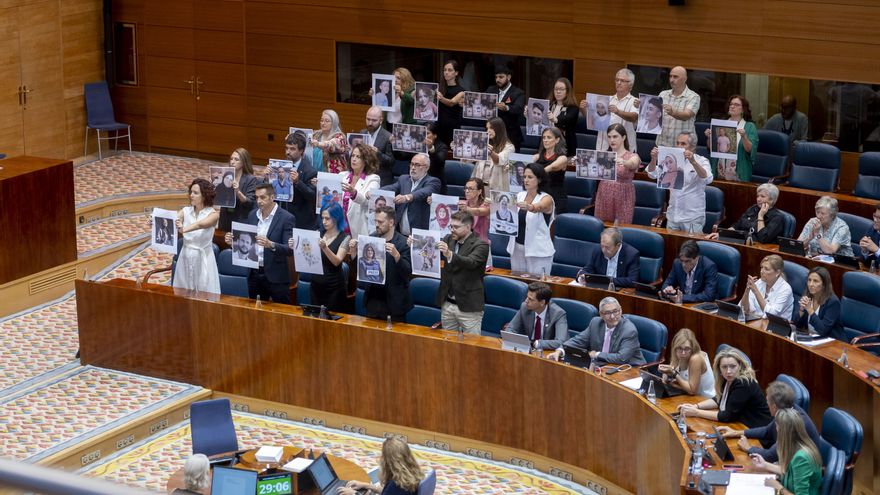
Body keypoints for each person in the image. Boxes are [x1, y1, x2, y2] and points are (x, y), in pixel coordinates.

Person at [718, 381, 821, 464]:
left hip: (800, 469)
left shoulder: (790, 422)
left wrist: (748, 448)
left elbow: (769, 456)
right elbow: (767, 430)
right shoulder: (787, 408)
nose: (766, 403)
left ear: (774, 407)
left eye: (767, 401)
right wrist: (736, 432)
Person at [224, 184, 295, 304]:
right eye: (257, 198)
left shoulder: (286, 218)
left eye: (262, 197)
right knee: (256, 313)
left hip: (276, 275)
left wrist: (271, 244)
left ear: (272, 197)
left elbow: (289, 249)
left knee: (282, 314)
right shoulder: (252, 215)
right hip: (254, 273)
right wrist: (232, 242)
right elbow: (248, 241)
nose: (259, 201)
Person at [678, 348, 772, 429]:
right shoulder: (726, 379)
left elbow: (726, 416)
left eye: (732, 366)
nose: (728, 371)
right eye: (724, 367)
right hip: (741, 426)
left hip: (758, 431)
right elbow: (718, 399)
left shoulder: (743, 383)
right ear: (719, 368)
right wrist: (695, 406)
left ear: (740, 366)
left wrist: (696, 412)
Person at [348, 206, 412, 321]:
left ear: (391, 222)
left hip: (394, 304)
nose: (377, 224)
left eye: (381, 222)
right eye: (375, 221)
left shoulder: (403, 243)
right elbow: (360, 271)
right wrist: (353, 254)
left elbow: (407, 273)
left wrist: (397, 256)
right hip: (373, 300)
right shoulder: (371, 239)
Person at [547, 297, 646, 366]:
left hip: (630, 369)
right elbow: (578, 341)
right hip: (604, 367)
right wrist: (560, 350)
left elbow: (621, 358)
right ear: (601, 314)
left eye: (615, 311)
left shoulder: (629, 330)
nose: (612, 316)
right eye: (607, 313)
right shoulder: (595, 323)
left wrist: (597, 354)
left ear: (620, 311)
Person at [435, 211, 490, 334]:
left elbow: (470, 262)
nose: (452, 230)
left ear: (468, 227)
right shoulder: (448, 239)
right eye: (451, 226)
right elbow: (432, 250)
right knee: (448, 344)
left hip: (469, 306)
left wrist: (449, 254)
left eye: (456, 227)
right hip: (448, 304)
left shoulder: (481, 245)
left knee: (472, 347)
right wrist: (416, 242)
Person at [647, 132, 713, 233]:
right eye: (677, 143)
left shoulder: (702, 160)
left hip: (692, 217)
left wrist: (693, 162)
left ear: (692, 147)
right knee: (671, 247)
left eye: (683, 144)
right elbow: (651, 173)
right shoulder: (670, 160)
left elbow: (708, 178)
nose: (679, 146)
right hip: (673, 215)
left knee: (691, 247)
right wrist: (653, 159)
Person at [749, 408, 823, 495]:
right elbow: (791, 472)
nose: (775, 429)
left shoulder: (802, 458)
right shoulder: (797, 446)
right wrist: (765, 465)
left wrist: (778, 487)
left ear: (783, 432)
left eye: (777, 426)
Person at [173, 178, 220, 294]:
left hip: (203, 257)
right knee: (182, 292)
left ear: (204, 196)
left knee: (205, 292)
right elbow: (172, 219)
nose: (191, 195)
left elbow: (201, 224)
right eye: (191, 192)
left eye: (195, 193)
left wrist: (183, 229)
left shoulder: (213, 214)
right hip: (185, 255)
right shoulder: (185, 211)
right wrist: (155, 220)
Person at [507, 163, 555, 276]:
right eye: (524, 177)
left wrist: (530, 207)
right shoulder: (519, 195)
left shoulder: (546, 198)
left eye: (530, 177)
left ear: (539, 179)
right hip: (517, 249)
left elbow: (539, 207)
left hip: (538, 252)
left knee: (537, 288)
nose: (526, 180)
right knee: (519, 284)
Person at [304, 202, 350, 311]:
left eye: (327, 218)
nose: (324, 222)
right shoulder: (317, 233)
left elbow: (337, 261)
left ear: (336, 218)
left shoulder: (345, 238)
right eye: (322, 218)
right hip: (316, 286)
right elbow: (308, 256)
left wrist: (325, 248)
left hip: (334, 288)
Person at [337, 437, 423, 495]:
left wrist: (354, 493)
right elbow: (388, 492)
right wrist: (367, 486)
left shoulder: (396, 484)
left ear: (388, 461)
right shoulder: (411, 474)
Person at [380, 153, 440, 235]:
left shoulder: (433, 181)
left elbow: (424, 192)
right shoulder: (404, 179)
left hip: (420, 233)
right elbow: (391, 188)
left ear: (426, 167)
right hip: (400, 232)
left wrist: (407, 197)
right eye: (412, 164)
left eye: (417, 165)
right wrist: (375, 192)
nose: (413, 167)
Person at [582, 68, 639, 153]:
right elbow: (592, 121)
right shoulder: (606, 100)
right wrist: (583, 109)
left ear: (630, 84)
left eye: (622, 81)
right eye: (617, 80)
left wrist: (618, 111)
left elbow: (634, 117)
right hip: (603, 147)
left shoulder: (635, 101)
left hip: (625, 151)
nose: (618, 83)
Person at [594, 123, 641, 224]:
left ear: (623, 137)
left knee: (620, 229)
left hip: (623, 195)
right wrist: (580, 162)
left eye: (615, 136)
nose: (612, 140)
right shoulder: (603, 155)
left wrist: (624, 162)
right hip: (604, 193)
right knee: (601, 227)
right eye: (609, 137)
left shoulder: (632, 155)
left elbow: (633, 164)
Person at [709, 183, 785, 244]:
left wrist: (760, 216)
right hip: (741, 242)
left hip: (758, 249)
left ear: (772, 200)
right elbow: (737, 225)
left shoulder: (777, 217)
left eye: (762, 196)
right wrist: (723, 235)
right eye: (758, 196)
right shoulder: (753, 208)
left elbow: (763, 239)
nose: (758, 199)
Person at [707, 94, 759, 182]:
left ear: (743, 109)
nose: (732, 106)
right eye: (731, 104)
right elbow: (711, 148)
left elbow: (750, 150)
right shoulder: (721, 124)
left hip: (739, 175)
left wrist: (744, 137)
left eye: (736, 105)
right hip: (719, 173)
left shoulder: (750, 126)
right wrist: (709, 138)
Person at [507, 282, 569, 351]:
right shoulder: (525, 307)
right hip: (528, 351)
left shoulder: (558, 314)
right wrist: (522, 342)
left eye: (530, 299)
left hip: (547, 352)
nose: (526, 301)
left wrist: (535, 343)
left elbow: (561, 342)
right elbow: (510, 329)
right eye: (527, 297)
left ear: (542, 302)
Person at [658, 328, 716, 397]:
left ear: (693, 348)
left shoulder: (696, 358)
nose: (683, 353)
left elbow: (692, 390)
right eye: (679, 348)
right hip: (689, 397)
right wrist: (666, 374)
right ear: (675, 348)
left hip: (706, 400)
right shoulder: (677, 355)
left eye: (687, 349)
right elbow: (672, 369)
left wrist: (674, 373)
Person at [575, 227, 640, 288]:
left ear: (618, 245)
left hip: (618, 290)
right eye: (602, 246)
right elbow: (587, 269)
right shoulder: (598, 250)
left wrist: (607, 281)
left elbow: (632, 281)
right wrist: (582, 276)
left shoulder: (631, 254)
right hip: (599, 289)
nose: (603, 250)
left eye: (607, 247)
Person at [792, 266, 844, 341]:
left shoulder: (833, 302)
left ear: (824, 284)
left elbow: (823, 330)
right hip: (812, 338)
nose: (811, 284)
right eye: (809, 280)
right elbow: (798, 325)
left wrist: (810, 310)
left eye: (815, 281)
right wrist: (801, 310)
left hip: (832, 342)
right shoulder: (808, 295)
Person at [340, 144, 381, 239]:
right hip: (340, 227)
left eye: (358, 157)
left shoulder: (373, 179)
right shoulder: (342, 176)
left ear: (366, 160)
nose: (354, 159)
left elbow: (368, 202)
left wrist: (354, 193)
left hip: (359, 227)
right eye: (353, 156)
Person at [279, 131, 318, 230]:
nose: (288, 152)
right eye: (286, 148)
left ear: (301, 151)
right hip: (282, 218)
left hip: (301, 222)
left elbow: (312, 196)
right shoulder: (280, 167)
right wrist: (267, 178)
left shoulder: (310, 171)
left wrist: (298, 182)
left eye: (292, 149)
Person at [656, 66, 701, 147]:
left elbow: (686, 116)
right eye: (670, 76)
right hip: (662, 143)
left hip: (683, 147)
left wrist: (673, 112)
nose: (671, 80)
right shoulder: (663, 94)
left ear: (684, 79)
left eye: (675, 77)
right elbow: (654, 115)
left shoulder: (693, 97)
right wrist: (641, 107)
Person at [739, 254, 794, 320]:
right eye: (762, 267)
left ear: (778, 272)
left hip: (776, 327)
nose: (761, 271)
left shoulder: (785, 289)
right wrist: (747, 290)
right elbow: (744, 309)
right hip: (756, 322)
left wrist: (756, 291)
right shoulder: (759, 282)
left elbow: (771, 315)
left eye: (766, 269)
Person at [218, 148, 260, 232]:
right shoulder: (225, 176)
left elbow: (250, 202)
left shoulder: (250, 179)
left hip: (240, 217)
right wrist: (214, 186)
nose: (232, 162)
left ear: (243, 162)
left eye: (236, 159)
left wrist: (237, 191)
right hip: (225, 216)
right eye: (231, 159)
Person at [486, 66, 525, 151]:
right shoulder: (490, 90)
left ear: (509, 77)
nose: (497, 80)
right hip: (492, 134)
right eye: (496, 77)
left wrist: (506, 108)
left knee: (509, 161)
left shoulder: (518, 92)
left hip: (511, 134)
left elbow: (518, 109)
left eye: (501, 77)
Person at [472, 117, 515, 192]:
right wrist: (458, 149)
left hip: (497, 189)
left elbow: (499, 160)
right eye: (487, 128)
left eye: (491, 128)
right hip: (479, 188)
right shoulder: (483, 143)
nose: (488, 131)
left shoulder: (509, 147)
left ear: (499, 129)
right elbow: (468, 158)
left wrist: (491, 153)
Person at [532, 127, 568, 213]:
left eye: (549, 137)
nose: (545, 140)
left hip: (556, 196)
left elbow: (552, 167)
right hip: (539, 195)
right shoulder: (537, 156)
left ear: (557, 140)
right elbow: (524, 163)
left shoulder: (562, 158)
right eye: (543, 137)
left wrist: (536, 173)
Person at [360, 106, 396, 186]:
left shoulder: (388, 137)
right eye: (368, 119)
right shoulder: (362, 133)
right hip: (363, 176)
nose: (370, 123)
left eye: (374, 120)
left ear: (381, 120)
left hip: (381, 178)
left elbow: (391, 162)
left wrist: (378, 153)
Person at [546, 77, 580, 157]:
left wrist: (555, 119)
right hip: (548, 146)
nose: (558, 92)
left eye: (561, 89)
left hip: (566, 147)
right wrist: (529, 115)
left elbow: (568, 119)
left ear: (567, 91)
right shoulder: (550, 105)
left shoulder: (573, 108)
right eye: (556, 89)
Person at [436, 60, 465, 146]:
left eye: (449, 70)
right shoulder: (439, 88)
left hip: (452, 127)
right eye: (445, 70)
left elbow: (452, 102)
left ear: (456, 73)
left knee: (452, 152)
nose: (446, 72)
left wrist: (441, 98)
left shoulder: (461, 91)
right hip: (438, 125)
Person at [311, 109, 349, 174]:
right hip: (313, 174)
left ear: (334, 123)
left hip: (332, 176)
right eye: (321, 120)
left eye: (327, 121)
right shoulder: (316, 135)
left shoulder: (340, 137)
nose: (323, 123)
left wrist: (318, 144)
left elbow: (332, 145)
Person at [459, 178, 490, 243]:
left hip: (480, 244)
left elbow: (478, 212)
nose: (467, 191)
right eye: (466, 188)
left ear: (479, 191)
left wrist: (467, 209)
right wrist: (433, 199)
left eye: (470, 189)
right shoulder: (462, 203)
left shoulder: (486, 206)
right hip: (463, 242)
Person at [424, 122, 449, 194]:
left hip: (435, 184)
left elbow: (439, 161)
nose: (424, 136)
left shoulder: (442, 147)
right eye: (423, 133)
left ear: (435, 135)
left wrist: (431, 148)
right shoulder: (417, 145)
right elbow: (403, 157)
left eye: (427, 133)